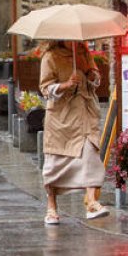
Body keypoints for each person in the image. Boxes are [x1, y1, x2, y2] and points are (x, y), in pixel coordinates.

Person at [38, 39, 108, 224]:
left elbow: (96, 80)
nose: (74, 42)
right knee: (55, 162)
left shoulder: (84, 54)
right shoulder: (50, 57)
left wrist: (91, 76)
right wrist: (66, 85)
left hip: (84, 113)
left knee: (90, 155)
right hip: (61, 117)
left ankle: (92, 202)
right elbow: (45, 88)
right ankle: (51, 207)